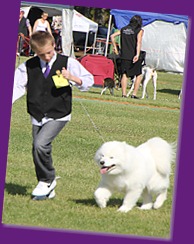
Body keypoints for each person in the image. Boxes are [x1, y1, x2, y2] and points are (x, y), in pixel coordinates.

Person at [12, 31, 94, 200]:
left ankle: (47, 180)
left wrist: (73, 78)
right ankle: (47, 186)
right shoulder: (28, 66)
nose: (47, 57)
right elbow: (15, 88)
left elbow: (89, 80)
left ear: (54, 46)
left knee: (40, 144)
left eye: (49, 52)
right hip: (37, 114)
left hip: (59, 114)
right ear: (35, 52)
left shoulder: (68, 62)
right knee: (38, 148)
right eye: (42, 55)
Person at [111, 15, 144, 98]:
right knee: (138, 74)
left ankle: (124, 94)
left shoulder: (124, 29)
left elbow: (112, 36)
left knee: (125, 74)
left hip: (124, 55)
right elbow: (138, 43)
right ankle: (134, 94)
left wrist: (115, 47)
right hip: (133, 55)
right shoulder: (139, 30)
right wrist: (137, 54)